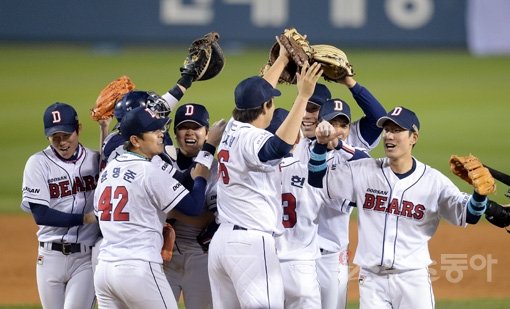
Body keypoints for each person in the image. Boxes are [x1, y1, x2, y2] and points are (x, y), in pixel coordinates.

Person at [308, 106, 489, 309]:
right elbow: (317, 180)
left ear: (414, 137)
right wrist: (321, 145)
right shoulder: (363, 171)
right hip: (371, 281)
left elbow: (468, 215)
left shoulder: (433, 181)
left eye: (396, 130)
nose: (389, 136)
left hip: (413, 280)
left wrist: (479, 196)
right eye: (387, 130)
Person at [207, 37, 323, 307]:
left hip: (222, 243)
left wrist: (282, 59)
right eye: (270, 102)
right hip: (249, 244)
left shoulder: (232, 127)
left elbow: (259, 94)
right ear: (266, 108)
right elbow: (280, 147)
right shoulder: (251, 140)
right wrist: (303, 96)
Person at [93, 106, 225, 308]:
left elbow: (98, 213)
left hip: (105, 270)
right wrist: (203, 167)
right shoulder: (148, 171)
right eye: (154, 132)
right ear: (136, 141)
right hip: (138, 267)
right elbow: (194, 206)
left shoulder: (110, 170)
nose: (161, 135)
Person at [295, 74, 387, 309]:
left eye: (313, 108)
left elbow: (379, 119)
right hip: (296, 251)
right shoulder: (293, 139)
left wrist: (350, 82)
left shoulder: (352, 142)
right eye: (303, 105)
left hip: (331, 251)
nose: (306, 114)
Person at [20, 102, 100, 309]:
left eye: (66, 135)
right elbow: (41, 215)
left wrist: (105, 128)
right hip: (49, 259)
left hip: (85, 258)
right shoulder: (38, 163)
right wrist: (85, 218)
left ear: (78, 129)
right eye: (55, 137)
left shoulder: (95, 160)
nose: (62, 142)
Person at [163, 103, 218, 309]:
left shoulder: (217, 169)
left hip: (200, 254)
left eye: (196, 127)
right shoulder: (164, 161)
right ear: (175, 133)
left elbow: (210, 218)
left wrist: (172, 211)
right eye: (183, 127)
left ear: (207, 133)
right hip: (165, 255)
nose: (189, 132)